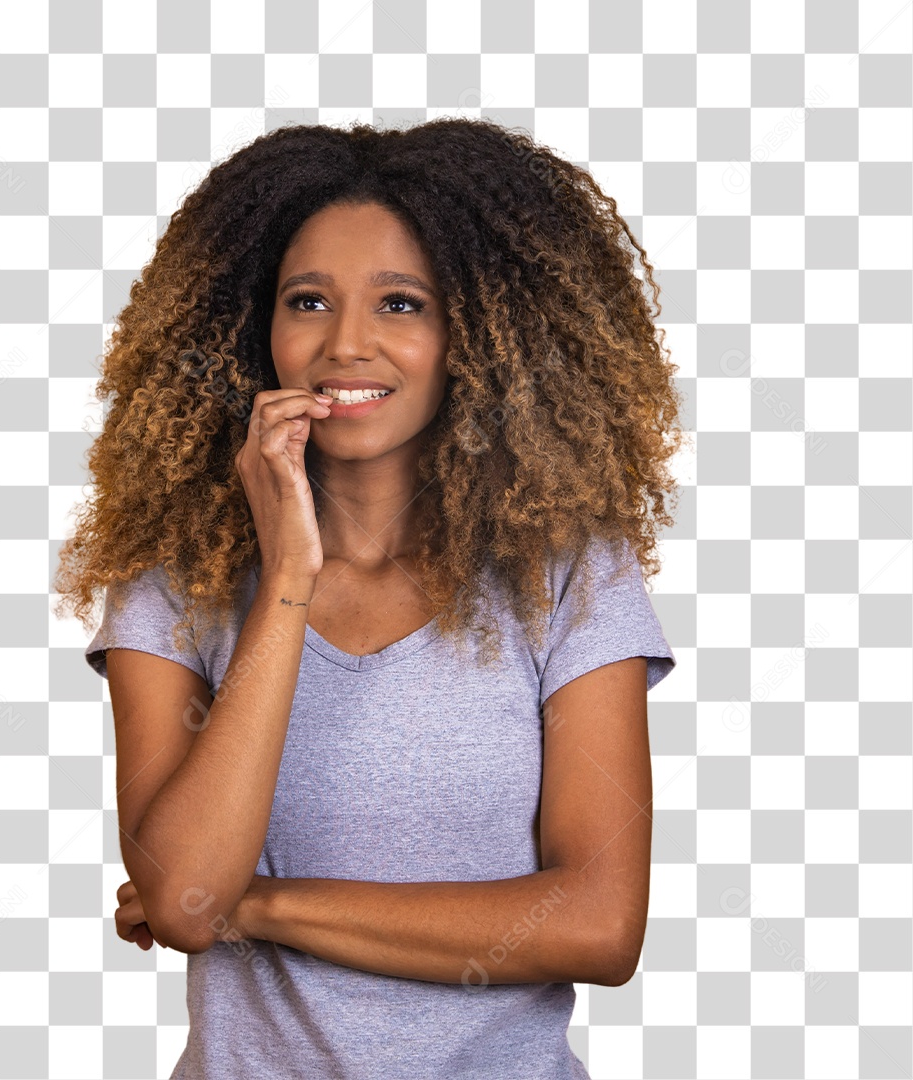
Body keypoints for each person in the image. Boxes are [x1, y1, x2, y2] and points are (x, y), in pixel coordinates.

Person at [53, 116, 686, 1079]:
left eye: (402, 304)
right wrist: (289, 581)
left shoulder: (565, 575)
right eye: (307, 301)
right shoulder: (178, 582)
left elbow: (598, 925)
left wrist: (257, 906)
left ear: (480, 333)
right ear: (254, 328)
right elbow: (183, 896)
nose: (346, 345)